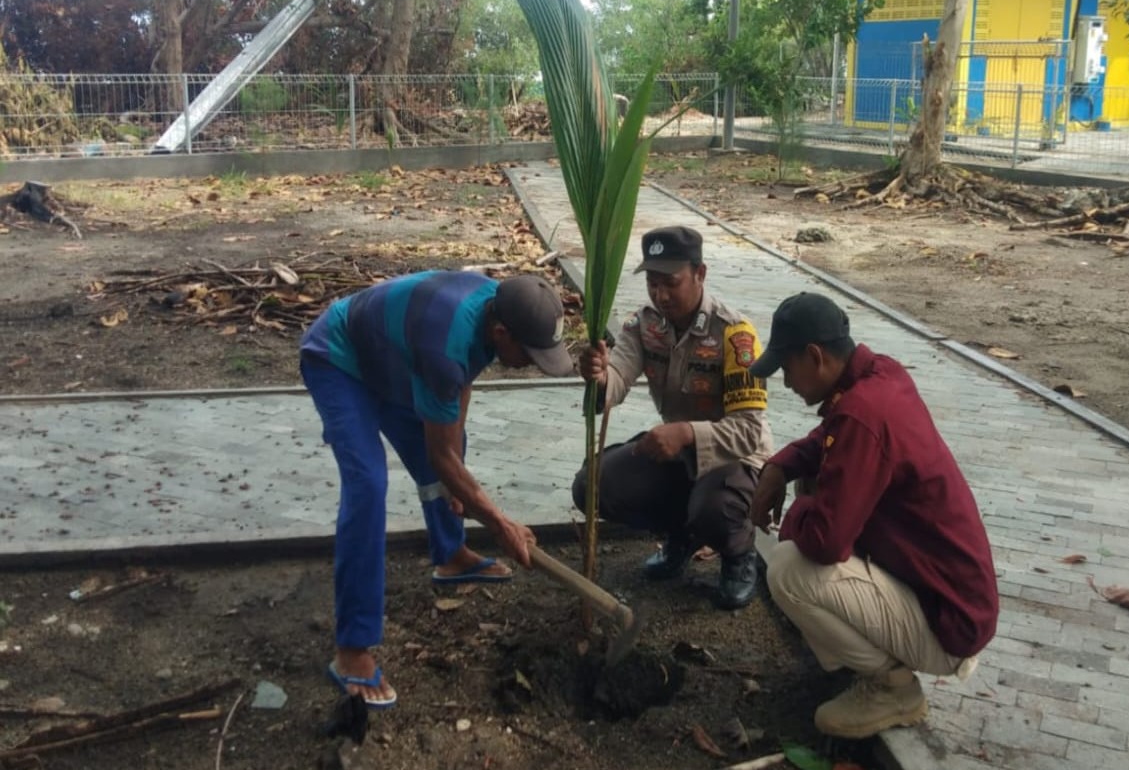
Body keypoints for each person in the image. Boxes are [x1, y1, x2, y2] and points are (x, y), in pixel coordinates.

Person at [300, 271, 576, 709]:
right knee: (369, 485)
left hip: (394, 359)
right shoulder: (445, 344)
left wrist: (458, 473)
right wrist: (500, 523)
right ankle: (352, 650)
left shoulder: (494, 304)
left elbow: (462, 379)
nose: (534, 362)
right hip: (338, 359)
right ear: (503, 332)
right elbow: (441, 445)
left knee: (452, 452)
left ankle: (450, 557)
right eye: (531, 354)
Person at [747, 292, 999, 739]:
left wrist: (798, 511)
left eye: (787, 369)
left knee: (788, 570)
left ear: (815, 357)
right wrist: (780, 466)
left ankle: (893, 688)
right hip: (951, 597)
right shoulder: (880, 376)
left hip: (949, 623)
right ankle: (877, 663)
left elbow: (826, 543)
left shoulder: (863, 415)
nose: (786, 383)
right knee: (813, 482)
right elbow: (828, 434)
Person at [574, 225, 772, 610]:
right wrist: (598, 376)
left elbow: (748, 432)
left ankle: (738, 553)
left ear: (700, 274)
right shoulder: (645, 325)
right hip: (678, 454)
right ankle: (681, 536)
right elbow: (617, 379)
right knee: (593, 485)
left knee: (713, 510)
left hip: (734, 459)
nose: (660, 295)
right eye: (652, 283)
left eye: (671, 283)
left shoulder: (735, 334)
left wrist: (684, 432)